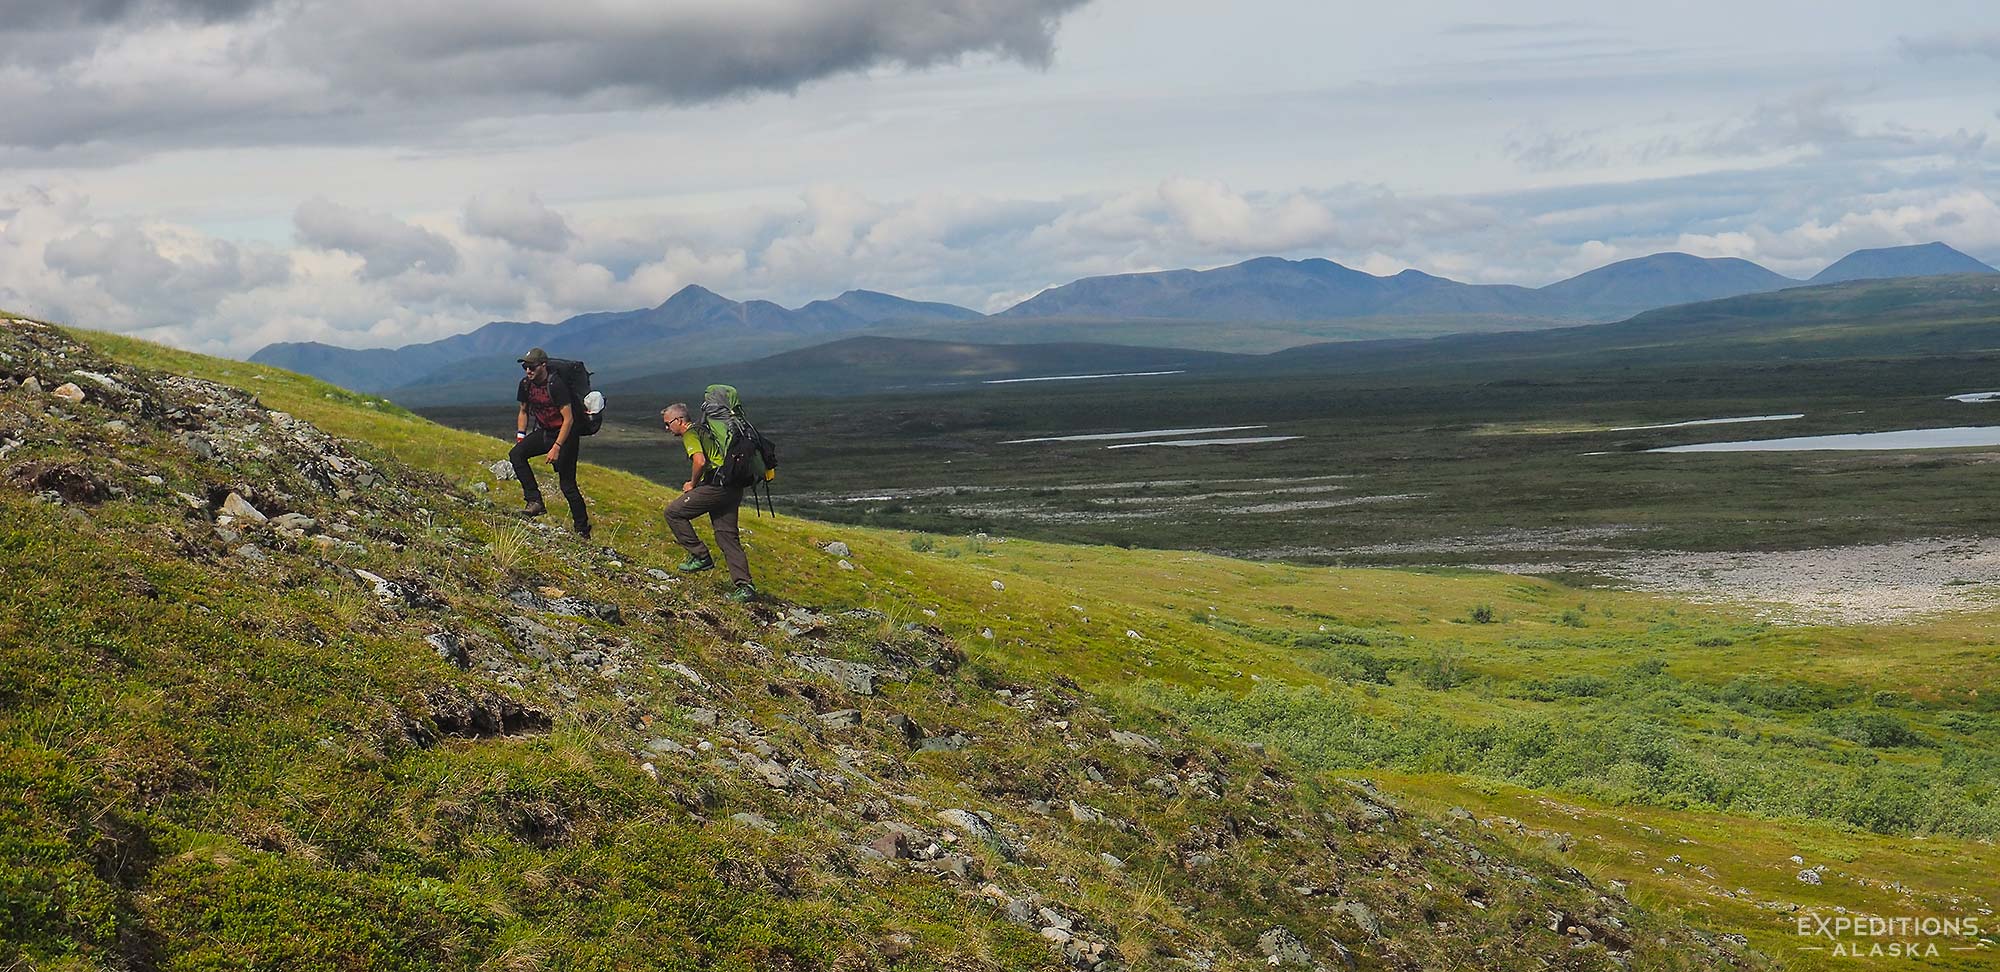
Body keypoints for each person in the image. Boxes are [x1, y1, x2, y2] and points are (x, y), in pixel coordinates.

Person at [661, 402, 754, 602]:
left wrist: (692, 484)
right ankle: (745, 587)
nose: (667, 428)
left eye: (668, 424)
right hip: (733, 487)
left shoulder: (691, 434)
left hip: (717, 486)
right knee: (727, 537)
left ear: (679, 420)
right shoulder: (706, 430)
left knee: (673, 512)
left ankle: (700, 556)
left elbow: (700, 461)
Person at [511, 347, 590, 538]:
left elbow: (568, 419)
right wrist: (521, 436)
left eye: (532, 367)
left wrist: (557, 447)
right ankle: (534, 501)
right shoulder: (526, 384)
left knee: (567, 485)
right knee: (516, 454)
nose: (528, 371)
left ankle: (582, 530)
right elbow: (523, 410)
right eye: (525, 367)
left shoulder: (555, 385)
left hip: (565, 435)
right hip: (545, 431)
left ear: (543, 366)